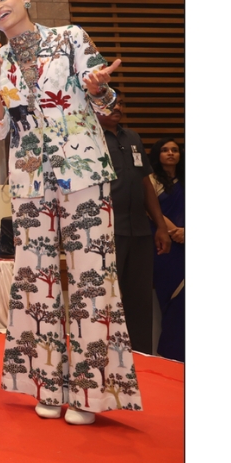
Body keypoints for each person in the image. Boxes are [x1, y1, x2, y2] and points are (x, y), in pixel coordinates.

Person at [0, 0, 146, 423]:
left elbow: (106, 103)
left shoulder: (70, 37)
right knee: (36, 281)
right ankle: (47, 386)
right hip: (30, 178)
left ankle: (92, 393)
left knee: (91, 277)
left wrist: (98, 87)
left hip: (82, 168)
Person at [96, 92, 173, 354]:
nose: (117, 107)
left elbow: (145, 183)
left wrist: (161, 226)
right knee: (107, 299)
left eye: (120, 103)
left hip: (139, 230)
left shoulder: (133, 137)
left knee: (140, 300)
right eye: (111, 103)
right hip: (107, 231)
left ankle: (141, 357)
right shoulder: (90, 137)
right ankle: (106, 357)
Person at [148, 137, 184, 361]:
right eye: (165, 150)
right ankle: (169, 356)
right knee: (174, 302)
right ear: (157, 155)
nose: (170, 153)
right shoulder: (151, 181)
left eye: (174, 150)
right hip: (165, 248)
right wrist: (175, 232)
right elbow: (150, 210)